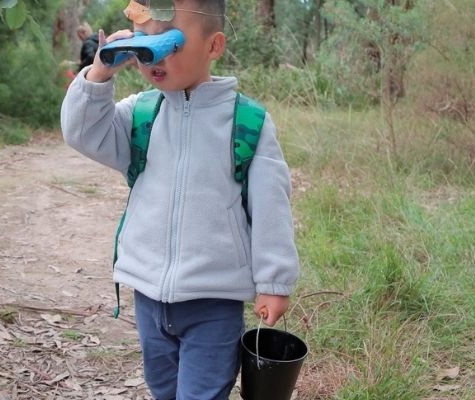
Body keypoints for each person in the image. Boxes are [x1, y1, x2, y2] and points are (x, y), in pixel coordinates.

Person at [60, 1, 299, 398]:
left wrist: (274, 280)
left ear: (213, 46)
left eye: (171, 44)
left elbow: (271, 206)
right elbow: (82, 132)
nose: (156, 57)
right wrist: (100, 72)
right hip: (148, 296)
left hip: (214, 300)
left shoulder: (247, 122)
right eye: (146, 45)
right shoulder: (141, 114)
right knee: (163, 389)